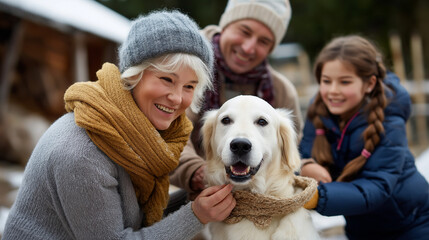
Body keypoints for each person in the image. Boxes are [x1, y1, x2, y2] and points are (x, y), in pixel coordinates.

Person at [3, 10, 236, 240]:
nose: (177, 98)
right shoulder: (83, 154)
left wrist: (194, 202)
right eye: (167, 79)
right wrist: (195, 215)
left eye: (189, 86)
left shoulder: (139, 135)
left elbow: (132, 221)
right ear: (133, 75)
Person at [170, 0, 303, 198]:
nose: (249, 47)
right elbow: (167, 134)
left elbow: (290, 156)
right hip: (193, 190)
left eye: (264, 41)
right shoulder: (184, 70)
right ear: (225, 26)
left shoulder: (282, 91)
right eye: (244, 31)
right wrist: (195, 171)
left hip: (261, 196)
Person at [300, 35, 429, 239]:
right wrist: (306, 165)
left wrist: (317, 197)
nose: (333, 91)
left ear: (369, 84)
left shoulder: (389, 120)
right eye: (326, 81)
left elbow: (377, 186)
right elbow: (300, 154)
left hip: (412, 225)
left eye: (344, 82)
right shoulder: (319, 112)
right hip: (360, 226)